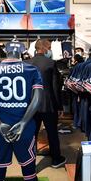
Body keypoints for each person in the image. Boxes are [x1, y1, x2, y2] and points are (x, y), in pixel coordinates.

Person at [0, 46, 43, 181]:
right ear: (21, 53)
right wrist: (23, 123)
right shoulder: (32, 70)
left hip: (1, 130)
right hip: (25, 130)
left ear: (4, 53)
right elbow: (37, 99)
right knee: (29, 172)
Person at [27, 39, 66, 168]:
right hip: (48, 104)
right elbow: (56, 87)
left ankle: (30, 161)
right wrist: (59, 106)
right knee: (52, 132)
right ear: (44, 48)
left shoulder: (26, 64)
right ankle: (56, 159)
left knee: (32, 134)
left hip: (31, 105)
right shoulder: (51, 63)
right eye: (49, 47)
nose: (50, 50)